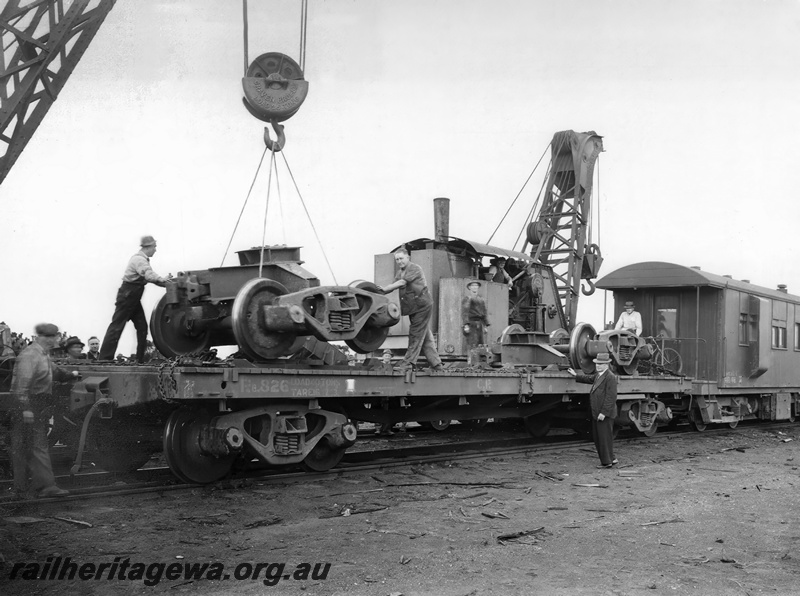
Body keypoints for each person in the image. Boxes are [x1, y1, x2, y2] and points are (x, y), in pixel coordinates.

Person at [10, 323, 79, 498]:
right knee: (36, 446)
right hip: (28, 405)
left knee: (27, 446)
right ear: (39, 337)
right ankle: (44, 486)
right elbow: (21, 386)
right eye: (48, 337)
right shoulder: (30, 355)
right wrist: (26, 409)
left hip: (36, 405)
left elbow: (54, 371)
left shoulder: (42, 354)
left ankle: (23, 488)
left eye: (53, 337)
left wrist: (71, 375)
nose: (52, 340)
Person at [99, 235, 171, 363]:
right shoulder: (139, 260)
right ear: (148, 247)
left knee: (142, 327)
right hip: (128, 296)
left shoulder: (142, 260)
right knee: (117, 326)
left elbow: (153, 279)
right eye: (154, 247)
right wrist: (162, 279)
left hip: (133, 298)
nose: (155, 250)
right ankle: (105, 358)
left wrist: (168, 283)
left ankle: (139, 359)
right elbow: (149, 275)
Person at [377, 248, 443, 372]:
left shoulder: (414, 268)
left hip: (422, 306)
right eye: (397, 259)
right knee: (424, 335)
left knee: (415, 333)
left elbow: (402, 283)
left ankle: (408, 363)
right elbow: (394, 285)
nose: (399, 261)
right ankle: (436, 364)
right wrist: (380, 292)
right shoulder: (400, 272)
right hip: (413, 308)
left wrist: (385, 289)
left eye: (401, 258)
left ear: (408, 257)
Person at [568, 352, 619, 468]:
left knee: (602, 438)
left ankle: (607, 462)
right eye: (597, 363)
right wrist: (575, 375)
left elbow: (611, 397)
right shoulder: (599, 375)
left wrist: (604, 413)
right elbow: (588, 378)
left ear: (606, 365)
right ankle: (612, 458)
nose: (598, 366)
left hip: (604, 414)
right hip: (598, 412)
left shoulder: (610, 377)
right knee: (603, 437)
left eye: (600, 364)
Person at [462, 280, 489, 349]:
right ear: (469, 287)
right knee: (472, 344)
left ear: (478, 287)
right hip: (471, 323)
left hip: (479, 324)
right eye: (473, 285)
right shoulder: (467, 299)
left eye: (476, 285)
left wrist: (485, 325)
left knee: (480, 345)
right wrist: (466, 325)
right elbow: (465, 312)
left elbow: (484, 312)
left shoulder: (481, 300)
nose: (474, 287)